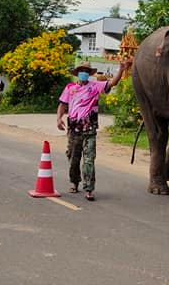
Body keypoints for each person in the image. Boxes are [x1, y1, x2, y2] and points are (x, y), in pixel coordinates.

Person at [56, 60, 131, 200]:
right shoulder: (70, 87)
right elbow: (62, 104)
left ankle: (89, 189)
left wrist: (120, 70)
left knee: (89, 160)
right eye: (81, 70)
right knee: (73, 158)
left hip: (89, 129)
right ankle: (74, 182)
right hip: (74, 129)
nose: (83, 73)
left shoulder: (95, 86)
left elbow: (112, 83)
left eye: (86, 71)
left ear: (89, 74)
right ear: (78, 73)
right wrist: (59, 118)